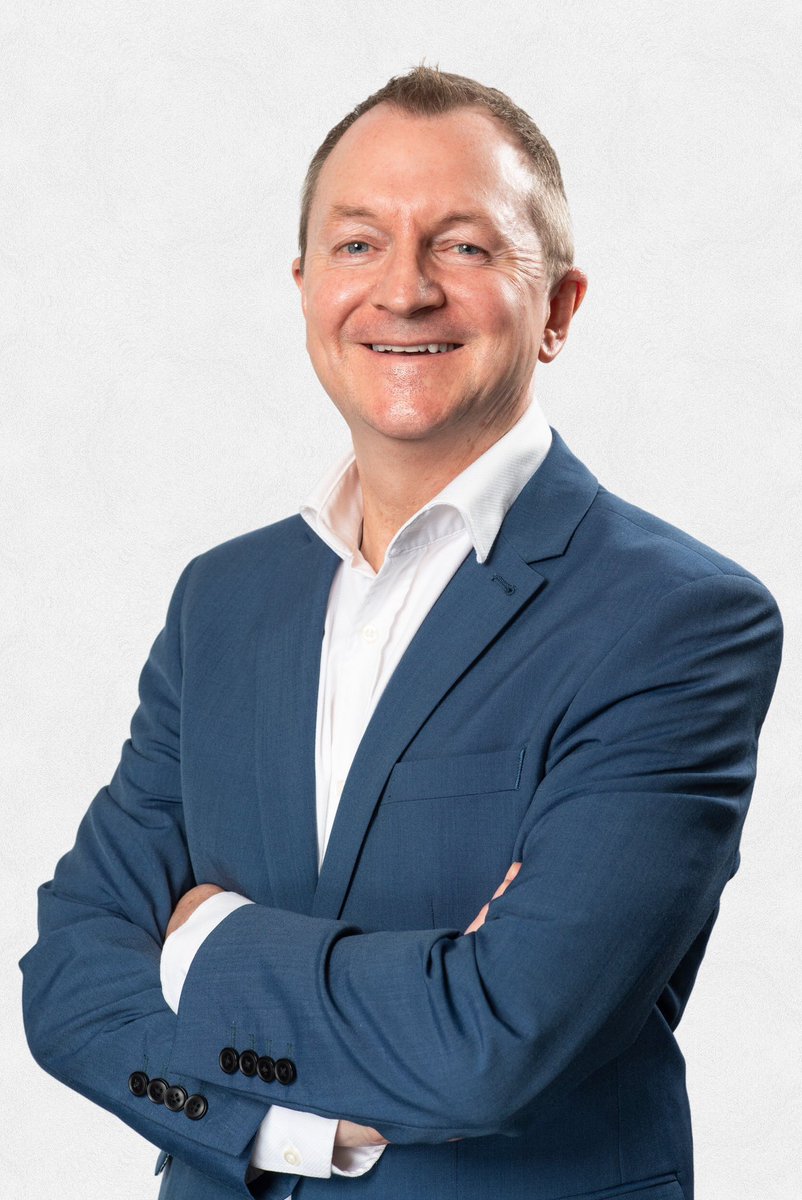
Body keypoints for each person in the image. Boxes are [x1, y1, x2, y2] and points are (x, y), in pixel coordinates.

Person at [21, 66, 783, 1200]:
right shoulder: (222, 603)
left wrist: (201, 940)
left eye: (465, 248)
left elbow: (495, 1043)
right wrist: (273, 1132)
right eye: (358, 244)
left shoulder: (676, 622)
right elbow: (70, 983)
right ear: (304, 287)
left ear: (560, 309)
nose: (404, 291)